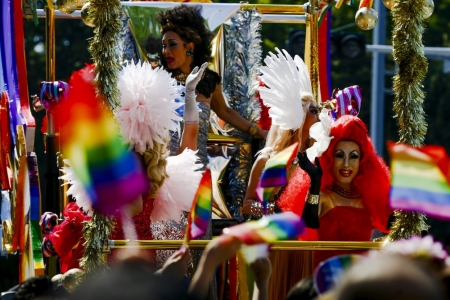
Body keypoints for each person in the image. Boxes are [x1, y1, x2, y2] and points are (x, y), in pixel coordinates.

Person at [242, 48, 319, 299]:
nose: (321, 114)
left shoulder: (316, 158)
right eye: (315, 110)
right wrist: (270, 212)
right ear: (297, 118)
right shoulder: (266, 160)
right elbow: (246, 205)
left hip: (305, 245)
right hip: (271, 246)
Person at [157, 5, 267, 168]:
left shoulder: (208, 80)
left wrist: (258, 132)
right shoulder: (158, 79)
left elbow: (225, 111)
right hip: (164, 169)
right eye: (164, 45)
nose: (166, 51)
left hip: (196, 168)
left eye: (172, 44)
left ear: (190, 47)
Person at [279, 115, 393, 269]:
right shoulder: (324, 196)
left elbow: (395, 227)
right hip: (325, 280)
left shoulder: (369, 200)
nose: (346, 164)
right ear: (329, 159)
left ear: (363, 162)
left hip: (359, 279)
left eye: (353, 157)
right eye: (340, 155)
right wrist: (315, 183)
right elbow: (306, 225)